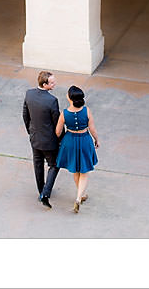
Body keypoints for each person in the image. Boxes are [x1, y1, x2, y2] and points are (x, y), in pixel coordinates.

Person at [55, 85, 100, 213]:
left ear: (69, 98)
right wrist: (97, 139)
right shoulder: (86, 111)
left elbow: (58, 132)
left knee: (75, 170)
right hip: (84, 140)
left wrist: (61, 139)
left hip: (70, 141)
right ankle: (79, 198)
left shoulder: (64, 113)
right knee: (84, 172)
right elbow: (92, 129)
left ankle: (81, 194)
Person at [22, 70, 61, 209]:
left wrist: (30, 132)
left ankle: (41, 191)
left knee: (38, 164)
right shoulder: (52, 101)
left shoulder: (29, 94)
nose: (54, 83)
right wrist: (60, 139)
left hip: (35, 138)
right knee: (54, 165)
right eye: (52, 82)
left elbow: (25, 115)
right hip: (49, 141)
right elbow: (57, 123)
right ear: (44, 84)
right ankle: (45, 193)